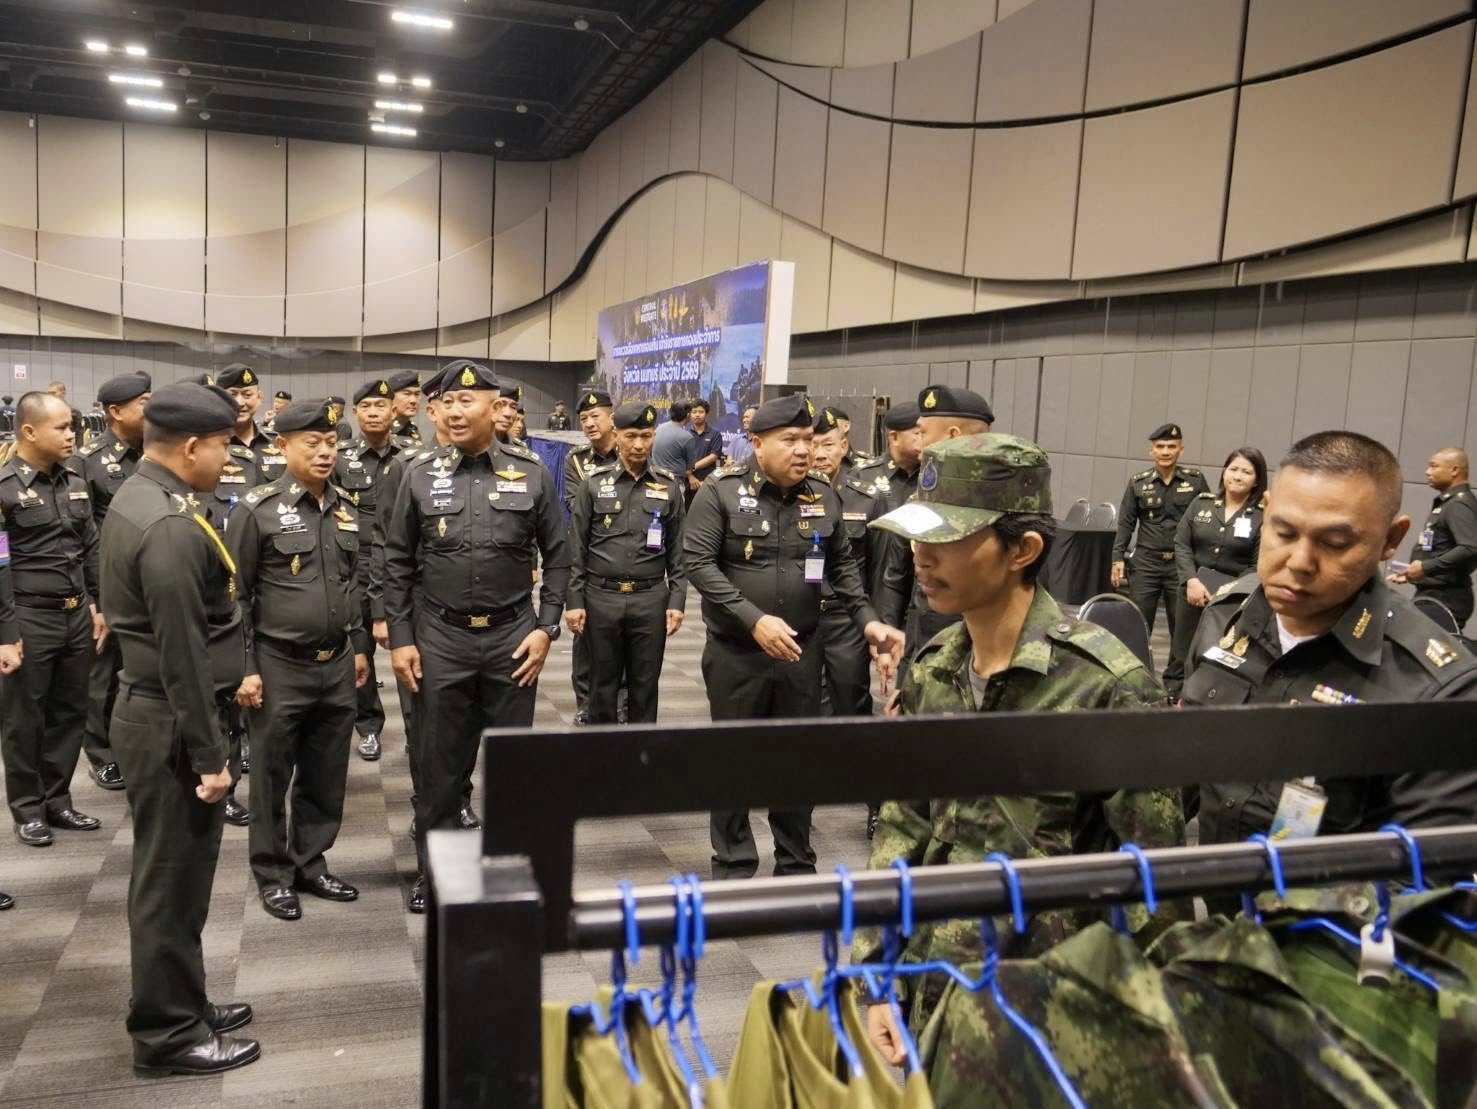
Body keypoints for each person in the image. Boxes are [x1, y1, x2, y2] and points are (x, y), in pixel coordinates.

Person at [855, 432, 1182, 1062]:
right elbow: (903, 827)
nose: (922, 557)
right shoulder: (934, 670)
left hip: (1051, 1016)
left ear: (1023, 550)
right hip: (936, 990)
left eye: (947, 539)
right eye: (918, 537)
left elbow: (1152, 885)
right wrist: (876, 976)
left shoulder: (1106, 687)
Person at [1188, 430, 1477, 845]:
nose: (1299, 562)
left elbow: (1424, 873)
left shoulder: (1438, 692)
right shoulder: (1225, 615)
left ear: (1390, 540)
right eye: (1283, 532)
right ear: (1266, 510)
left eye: (1335, 543)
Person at [101, 381, 260, 1076]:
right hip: (170, 721)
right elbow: (182, 656)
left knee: (181, 880)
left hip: (156, 712)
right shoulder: (166, 524)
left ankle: (183, 1001)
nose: (230, 457)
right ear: (192, 446)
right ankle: (167, 1035)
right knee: (169, 884)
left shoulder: (145, 495)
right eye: (224, 445)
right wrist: (210, 755)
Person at [683, 393, 904, 880]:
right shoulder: (720, 491)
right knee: (732, 760)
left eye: (809, 439)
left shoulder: (823, 494)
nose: (804, 450)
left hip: (802, 651)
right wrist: (753, 619)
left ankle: (796, 860)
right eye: (790, 440)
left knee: (796, 759)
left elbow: (843, 567)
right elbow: (697, 564)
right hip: (737, 653)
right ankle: (734, 862)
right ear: (757, 443)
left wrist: (867, 619)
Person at [383, 359, 569, 913]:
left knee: (513, 769)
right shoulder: (419, 473)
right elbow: (396, 560)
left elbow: (560, 558)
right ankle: (436, 875)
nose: (456, 410)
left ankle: (505, 877)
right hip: (441, 638)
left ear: (497, 407)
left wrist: (547, 627)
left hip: (514, 639)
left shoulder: (532, 472)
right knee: (438, 768)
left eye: (469, 401)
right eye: (449, 402)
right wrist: (401, 637)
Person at [230, 400, 370, 922]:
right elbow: (235, 596)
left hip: (336, 662)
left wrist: (359, 646)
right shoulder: (257, 509)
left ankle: (310, 862)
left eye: (331, 443)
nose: (325, 452)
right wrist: (245, 666)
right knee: (270, 774)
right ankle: (272, 874)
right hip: (278, 663)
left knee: (325, 771)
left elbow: (354, 584)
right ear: (283, 446)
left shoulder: (347, 507)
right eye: (312, 443)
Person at [1, 392, 105, 847]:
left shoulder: (75, 480)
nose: (72, 435)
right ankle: (28, 808)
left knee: (69, 712)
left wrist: (99, 603)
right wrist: (6, 633)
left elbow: (91, 547)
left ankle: (58, 800)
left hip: (76, 613)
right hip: (28, 617)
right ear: (29, 431)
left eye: (72, 426)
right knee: (25, 719)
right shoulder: (4, 487)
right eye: (61, 427)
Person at [564, 401, 686, 723]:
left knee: (645, 687)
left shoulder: (668, 485)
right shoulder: (593, 483)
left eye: (646, 436)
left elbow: (677, 551)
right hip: (601, 597)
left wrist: (677, 600)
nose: (639, 445)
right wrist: (574, 601)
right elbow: (577, 548)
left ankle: (641, 750)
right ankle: (604, 749)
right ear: (617, 434)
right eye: (631, 436)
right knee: (601, 685)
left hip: (650, 599)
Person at [809, 406, 891, 838]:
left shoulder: (865, 497)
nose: (819, 453)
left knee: (853, 707)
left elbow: (879, 572)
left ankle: (877, 805)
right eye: (812, 445)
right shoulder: (791, 494)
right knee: (798, 709)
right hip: (799, 617)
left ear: (844, 446)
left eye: (828, 444)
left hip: (845, 619)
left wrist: (874, 625)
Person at [69, 371, 151, 792]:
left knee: (141, 671)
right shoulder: (87, 461)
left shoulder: (155, 454)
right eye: (143, 404)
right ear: (116, 412)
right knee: (102, 677)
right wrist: (92, 597)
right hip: (107, 586)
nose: (151, 411)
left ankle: (136, 746)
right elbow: (79, 535)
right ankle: (102, 755)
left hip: (148, 582)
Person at [877, 386, 992, 662]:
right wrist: (888, 639)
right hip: (919, 647)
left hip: (973, 653)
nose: (918, 443)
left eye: (923, 433)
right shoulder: (921, 497)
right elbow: (897, 576)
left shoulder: (1001, 505)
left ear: (953, 436)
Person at [334, 378, 409, 761]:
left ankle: (417, 727)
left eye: (381, 405)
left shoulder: (411, 457)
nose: (374, 413)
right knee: (358, 651)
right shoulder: (339, 457)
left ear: (394, 411)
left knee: (411, 648)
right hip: (356, 566)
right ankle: (368, 727)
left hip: (403, 566)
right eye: (366, 407)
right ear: (354, 413)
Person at [1111, 423, 1211, 690]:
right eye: (1160, 446)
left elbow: (1207, 520)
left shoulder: (1195, 481)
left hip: (1181, 565)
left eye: (1171, 446)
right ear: (1151, 450)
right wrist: (1117, 557)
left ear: (1181, 450)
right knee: (1138, 623)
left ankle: (1174, 685)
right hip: (1146, 563)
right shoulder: (1138, 482)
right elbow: (1126, 522)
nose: (1166, 451)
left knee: (1182, 629)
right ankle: (1135, 681)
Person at [1169, 447, 1267, 691]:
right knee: (1181, 650)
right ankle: (1174, 695)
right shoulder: (1201, 503)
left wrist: (1227, 591)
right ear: (1224, 472)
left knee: (1216, 652)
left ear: (1257, 481)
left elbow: (1256, 564)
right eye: (1233, 469)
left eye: (1246, 472)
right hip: (1192, 592)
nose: (1237, 476)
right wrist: (1191, 580)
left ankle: (1204, 696)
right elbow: (1182, 544)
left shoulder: (1261, 516)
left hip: (1231, 601)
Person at [562, 390, 620, 725]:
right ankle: (585, 702)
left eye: (595, 416)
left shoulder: (631, 450)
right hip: (589, 553)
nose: (588, 423)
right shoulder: (576, 459)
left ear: (612, 418)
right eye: (583, 419)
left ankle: (621, 702)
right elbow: (576, 506)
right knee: (585, 638)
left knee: (625, 639)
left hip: (628, 558)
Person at [1389, 447, 1477, 629]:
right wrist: (1414, 573)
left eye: (1434, 466)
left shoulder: (1458, 504)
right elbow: (1439, 548)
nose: (1427, 472)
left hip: (1446, 596)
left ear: (1454, 470)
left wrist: (1425, 568)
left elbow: (1470, 547)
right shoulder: (1448, 503)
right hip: (1434, 593)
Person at [683, 399, 725, 504]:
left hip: (707, 482)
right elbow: (680, 458)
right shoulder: (684, 434)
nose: (697, 415)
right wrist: (690, 476)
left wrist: (692, 467)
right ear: (690, 414)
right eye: (694, 412)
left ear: (706, 414)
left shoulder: (715, 435)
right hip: (687, 482)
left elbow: (713, 456)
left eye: (701, 412)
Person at [651, 400, 693, 476]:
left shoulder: (659, 427)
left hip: (656, 475)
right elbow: (690, 465)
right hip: (675, 479)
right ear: (688, 415)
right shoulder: (687, 437)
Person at [388, 371, 423, 445]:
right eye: (407, 394)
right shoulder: (382, 431)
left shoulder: (412, 429)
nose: (413, 401)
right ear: (391, 397)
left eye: (417, 394)